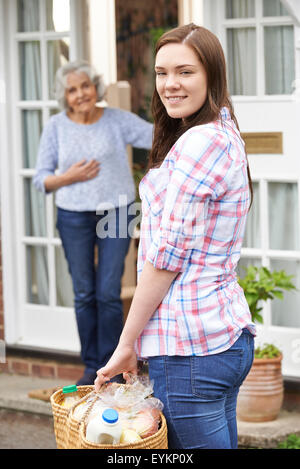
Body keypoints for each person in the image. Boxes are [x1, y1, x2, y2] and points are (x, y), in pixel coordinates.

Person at [94, 23, 257, 449]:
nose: (170, 84)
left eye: (185, 72)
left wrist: (125, 344)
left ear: (212, 76)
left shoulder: (199, 143)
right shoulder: (222, 132)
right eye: (162, 73)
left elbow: (165, 258)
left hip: (189, 352)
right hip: (221, 337)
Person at [33, 60, 153, 386]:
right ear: (65, 96)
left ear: (95, 87)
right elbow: (40, 180)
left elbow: (156, 136)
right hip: (73, 215)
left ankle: (112, 366)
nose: (81, 94)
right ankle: (92, 365)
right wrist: (68, 176)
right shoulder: (56, 126)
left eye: (85, 85)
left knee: (108, 293)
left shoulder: (115, 120)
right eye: (72, 90)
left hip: (115, 211)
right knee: (85, 293)